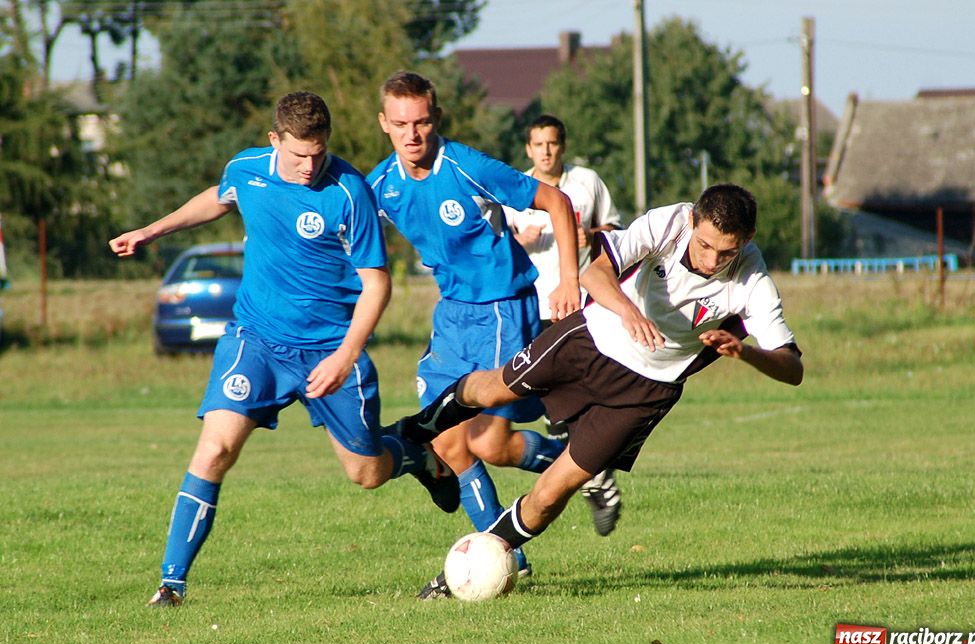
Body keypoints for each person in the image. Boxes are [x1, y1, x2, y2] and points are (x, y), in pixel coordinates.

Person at [109, 91, 458, 608]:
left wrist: (345, 356)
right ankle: (171, 586)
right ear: (274, 140)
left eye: (319, 153)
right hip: (256, 340)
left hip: (330, 351)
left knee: (366, 473)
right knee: (216, 448)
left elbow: (377, 283)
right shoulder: (247, 169)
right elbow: (221, 196)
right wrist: (151, 231)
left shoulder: (350, 191)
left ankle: (418, 457)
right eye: (298, 155)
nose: (310, 166)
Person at [391, 184, 805, 598]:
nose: (712, 261)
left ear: (747, 239)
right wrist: (627, 311)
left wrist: (746, 352)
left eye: (727, 253)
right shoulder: (669, 223)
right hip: (590, 340)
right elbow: (594, 273)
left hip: (644, 393)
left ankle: (468, 572)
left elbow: (792, 368)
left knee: (552, 493)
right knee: (495, 389)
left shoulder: (753, 281)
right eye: (705, 246)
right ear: (693, 221)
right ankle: (411, 431)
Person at [367, 71, 621, 596]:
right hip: (452, 317)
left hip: (504, 309)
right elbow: (342, 229)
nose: (413, 134)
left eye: (422, 122)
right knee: (449, 442)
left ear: (436, 119)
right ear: (384, 124)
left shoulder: (467, 166)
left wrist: (569, 281)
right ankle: (509, 559)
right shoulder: (381, 185)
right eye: (401, 124)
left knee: (486, 440)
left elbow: (557, 202)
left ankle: (586, 466)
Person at [505, 114, 624, 535]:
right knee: (546, 402)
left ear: (563, 145)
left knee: (569, 396)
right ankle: (592, 474)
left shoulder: (586, 182)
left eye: (552, 143)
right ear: (528, 149)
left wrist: (592, 233)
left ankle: (590, 473)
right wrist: (517, 241)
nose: (546, 150)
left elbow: (617, 231)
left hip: (581, 304)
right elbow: (496, 239)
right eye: (538, 144)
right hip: (529, 306)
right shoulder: (515, 188)